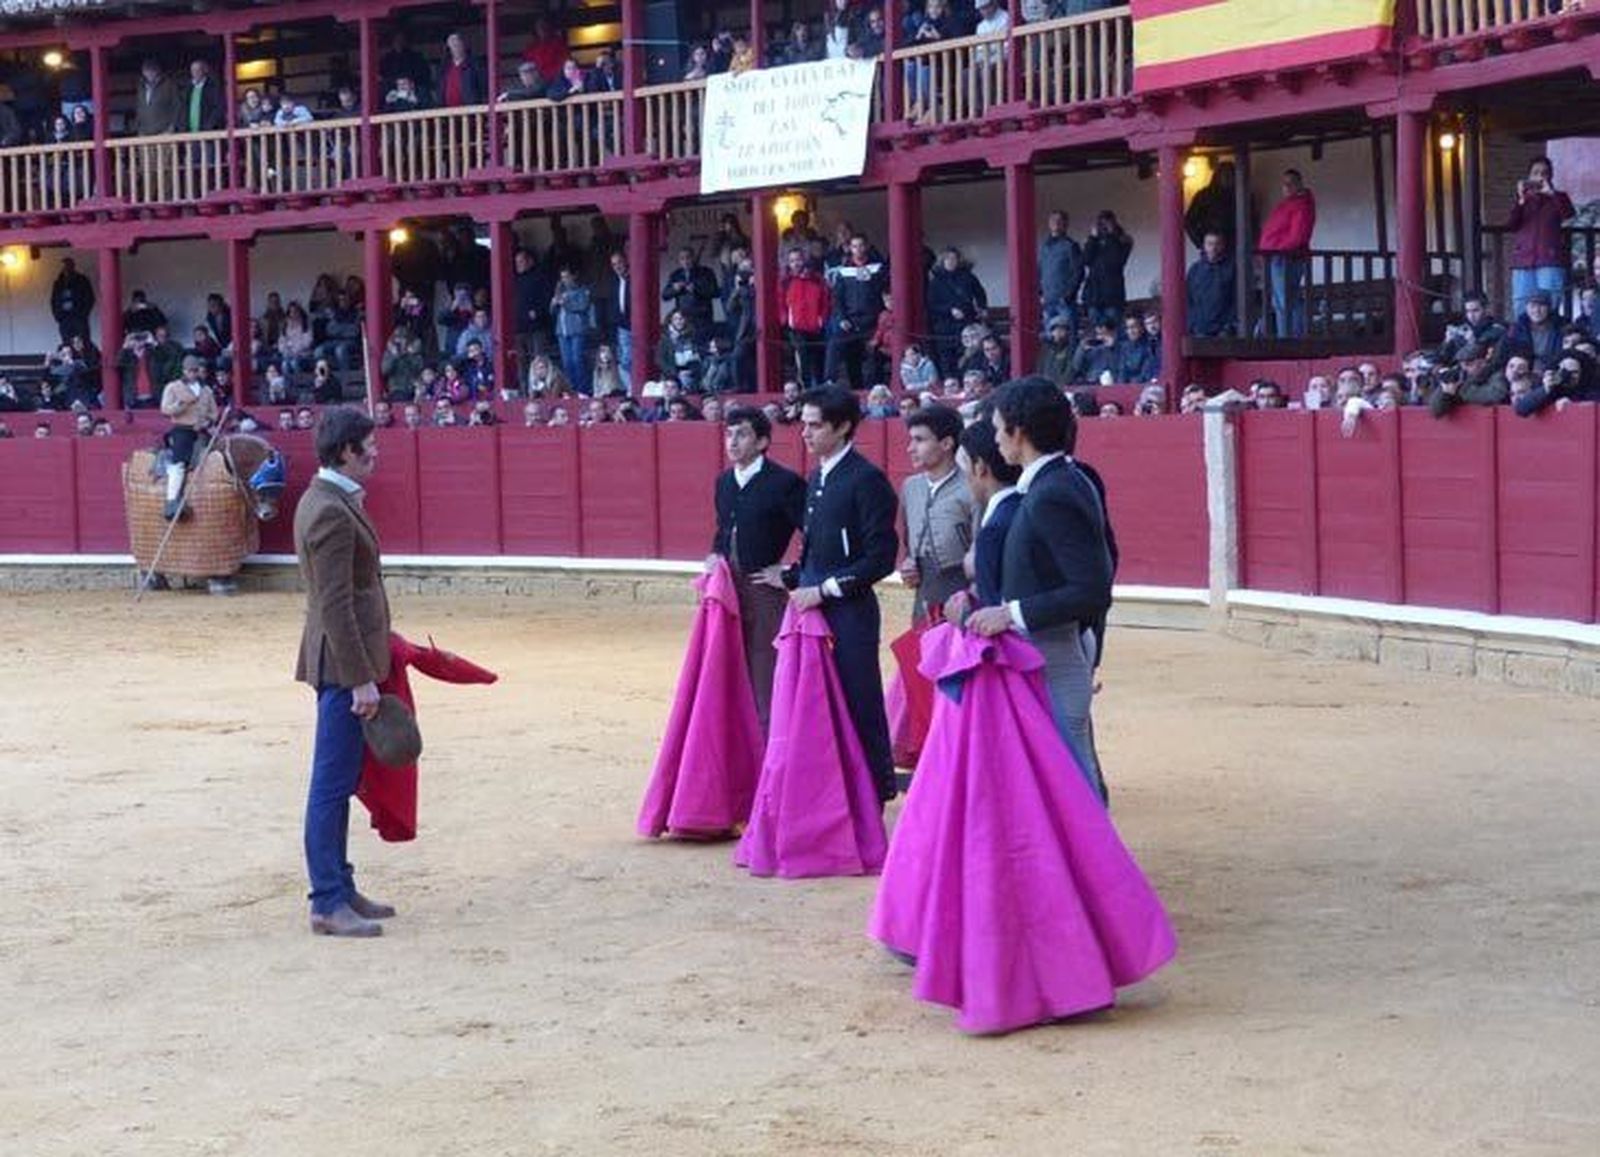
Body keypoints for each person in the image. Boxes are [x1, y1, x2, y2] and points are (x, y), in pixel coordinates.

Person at [966, 377, 1115, 803]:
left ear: (1019, 432)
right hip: (1048, 656)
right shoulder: (1055, 483)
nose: (995, 439)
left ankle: (1094, 871)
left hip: (1052, 658)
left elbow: (1090, 590)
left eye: (998, 429)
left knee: (1070, 790)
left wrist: (1009, 614)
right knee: (1058, 789)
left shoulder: (1053, 492)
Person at [761, 385, 899, 802]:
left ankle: (874, 790)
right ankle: (833, 790)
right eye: (803, 424)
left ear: (842, 428)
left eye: (815, 425)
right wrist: (792, 576)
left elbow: (881, 558)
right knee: (817, 702)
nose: (805, 433)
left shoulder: (866, 480)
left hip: (849, 611)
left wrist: (822, 589)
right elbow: (818, 549)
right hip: (813, 607)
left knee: (857, 698)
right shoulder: (818, 477)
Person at [293, 407, 394, 938]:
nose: (375, 453)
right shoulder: (330, 510)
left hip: (341, 659)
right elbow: (335, 603)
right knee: (331, 786)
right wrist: (359, 677)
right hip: (341, 667)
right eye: (368, 447)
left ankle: (340, 885)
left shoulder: (329, 500)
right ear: (345, 452)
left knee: (341, 780)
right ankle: (327, 900)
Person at [708, 406, 808, 731]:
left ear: (763, 441)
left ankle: (768, 742)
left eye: (742, 434)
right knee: (726, 661)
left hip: (764, 588)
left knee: (765, 666)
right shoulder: (724, 482)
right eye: (729, 433)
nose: (733, 441)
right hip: (726, 590)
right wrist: (714, 554)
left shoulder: (785, 483)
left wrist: (793, 573)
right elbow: (724, 529)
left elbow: (817, 533)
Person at [898, 404, 976, 625]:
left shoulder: (972, 488)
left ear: (946, 443)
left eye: (919, 440)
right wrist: (908, 563)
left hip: (965, 596)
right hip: (923, 596)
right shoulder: (910, 487)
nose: (910, 448)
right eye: (910, 440)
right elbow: (908, 542)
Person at [1507, 155, 1575, 318]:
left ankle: (1550, 342)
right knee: (1521, 306)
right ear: (1529, 177)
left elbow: (1569, 215)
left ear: (1550, 176)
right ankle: (1524, 343)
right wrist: (1521, 201)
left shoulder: (1559, 197)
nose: (1539, 177)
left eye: (1544, 173)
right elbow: (1511, 225)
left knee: (1550, 305)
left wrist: (1552, 194)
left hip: (1550, 259)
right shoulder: (1524, 200)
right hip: (1523, 260)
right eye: (1535, 173)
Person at [159, 354, 219, 520]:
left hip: (202, 431)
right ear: (184, 371)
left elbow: (214, 412)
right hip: (182, 429)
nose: (193, 373)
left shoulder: (206, 390)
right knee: (179, 464)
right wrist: (180, 406)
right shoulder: (173, 388)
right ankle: (172, 502)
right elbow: (165, 409)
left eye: (195, 370)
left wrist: (208, 421)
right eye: (190, 371)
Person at [1258, 168, 1317, 338]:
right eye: (1284, 183)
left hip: (1286, 258)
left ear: (1300, 184)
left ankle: (1290, 339)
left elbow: (1298, 236)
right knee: (1284, 300)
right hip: (1277, 257)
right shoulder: (1290, 204)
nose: (1286, 187)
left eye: (1290, 183)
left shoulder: (1301, 205)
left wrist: (1277, 251)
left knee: (1285, 301)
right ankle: (1289, 337)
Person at [1038, 209, 1085, 340]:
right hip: (1048, 300)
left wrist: (1068, 296)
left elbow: (1079, 272)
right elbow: (1039, 270)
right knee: (1050, 338)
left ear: (1065, 224)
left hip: (1064, 302)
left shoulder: (1070, 246)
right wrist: (1040, 293)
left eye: (1059, 221)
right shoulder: (1044, 247)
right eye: (1053, 220)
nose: (1055, 223)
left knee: (1069, 337)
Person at [1081, 210, 1132, 327]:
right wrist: (1092, 238)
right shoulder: (1093, 241)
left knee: (1114, 331)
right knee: (1097, 333)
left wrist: (1111, 235)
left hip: (1113, 296)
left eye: (1107, 223)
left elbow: (1116, 261)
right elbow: (1085, 260)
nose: (1103, 226)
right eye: (1101, 223)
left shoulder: (1123, 240)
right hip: (1094, 295)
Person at [1186, 231, 1237, 337]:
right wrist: (1192, 323)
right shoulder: (1195, 270)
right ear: (1204, 246)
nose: (1213, 248)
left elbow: (1237, 298)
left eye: (1217, 244)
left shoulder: (1232, 269)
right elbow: (1187, 298)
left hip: (1224, 331)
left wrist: (1229, 325)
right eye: (1209, 244)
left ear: (1223, 245)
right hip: (1199, 329)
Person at [50, 258, 95, 345]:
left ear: (73, 266)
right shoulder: (58, 283)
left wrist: (83, 314)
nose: (66, 268)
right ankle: (70, 358)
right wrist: (58, 316)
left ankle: (84, 358)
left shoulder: (82, 280)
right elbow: (53, 300)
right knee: (66, 343)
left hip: (78, 317)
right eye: (64, 266)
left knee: (82, 342)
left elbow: (90, 298)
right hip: (64, 318)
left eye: (68, 266)